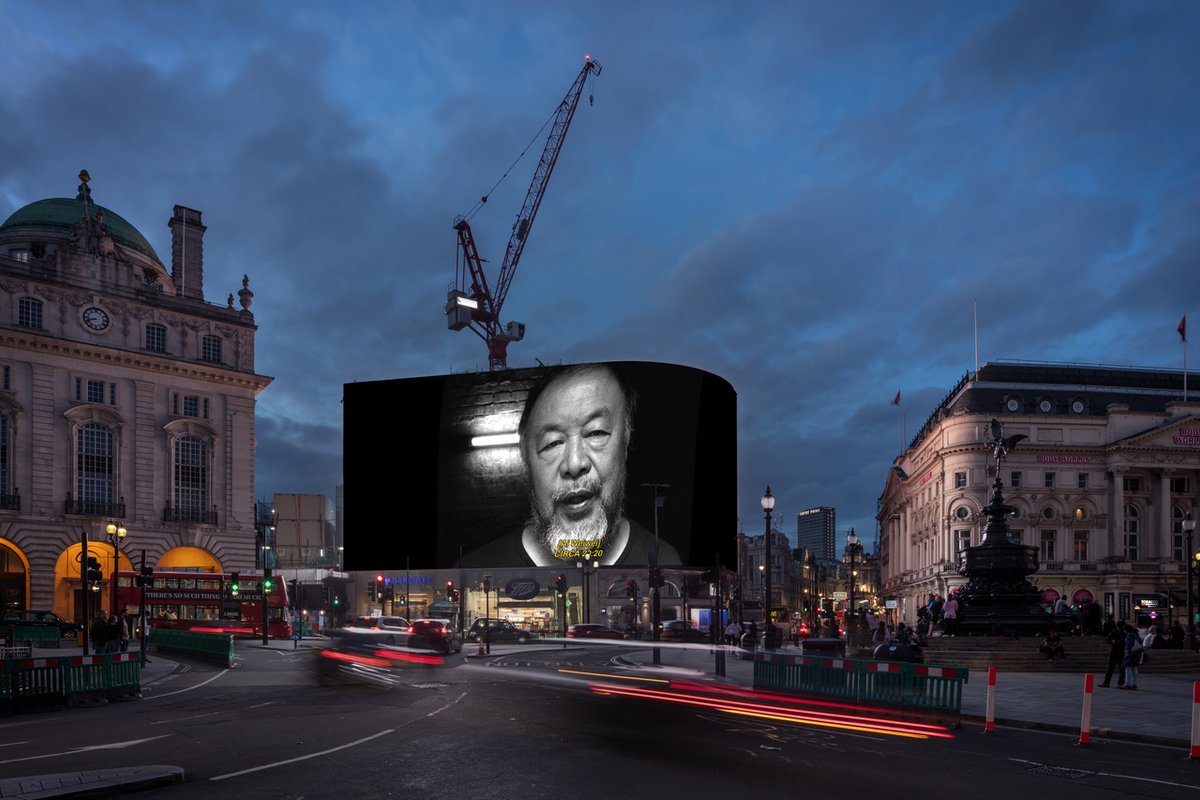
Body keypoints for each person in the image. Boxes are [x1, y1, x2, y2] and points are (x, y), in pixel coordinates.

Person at [463, 364, 681, 568]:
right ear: (526, 460)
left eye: (596, 433)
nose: (574, 464)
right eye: (552, 443)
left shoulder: (665, 563)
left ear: (625, 445)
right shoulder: (473, 571)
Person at [1101, 621, 1126, 687]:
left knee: (1119, 668)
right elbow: (1108, 640)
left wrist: (1117, 641)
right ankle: (1111, 682)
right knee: (1112, 668)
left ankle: (1111, 682)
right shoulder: (1114, 632)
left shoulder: (1123, 633)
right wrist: (1112, 641)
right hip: (1116, 652)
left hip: (1119, 652)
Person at [1121, 624, 1143, 690]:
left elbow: (1129, 644)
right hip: (1137, 652)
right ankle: (1134, 684)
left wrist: (1127, 652)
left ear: (1126, 630)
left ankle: (1128, 684)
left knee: (1128, 667)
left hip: (1131, 653)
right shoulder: (1136, 634)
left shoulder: (1130, 634)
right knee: (1134, 667)